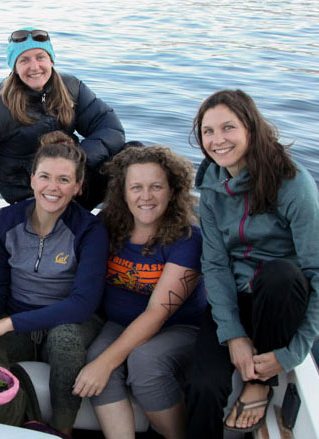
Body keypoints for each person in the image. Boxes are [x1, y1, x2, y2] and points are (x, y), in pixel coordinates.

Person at [185, 90, 319, 436]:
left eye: (228, 128)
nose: (217, 140)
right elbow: (216, 265)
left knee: (279, 273)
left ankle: (261, 383)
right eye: (208, 131)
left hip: (280, 300)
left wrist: (291, 353)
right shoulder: (211, 188)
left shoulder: (293, 185)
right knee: (202, 386)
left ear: (250, 129)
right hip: (236, 298)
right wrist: (233, 334)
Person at [0, 141, 108, 436]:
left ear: (78, 186)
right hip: (18, 320)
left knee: (65, 340)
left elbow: (82, 304)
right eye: (45, 176)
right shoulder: (6, 221)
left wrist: (5, 324)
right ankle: (4, 423)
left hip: (70, 321)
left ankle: (62, 430)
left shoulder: (90, 230)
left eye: (64, 179)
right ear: (32, 179)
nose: (52, 187)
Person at [73, 146, 206, 439]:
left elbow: (158, 312)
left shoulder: (187, 237)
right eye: (136, 187)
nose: (145, 196)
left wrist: (105, 363)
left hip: (179, 326)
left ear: (172, 191)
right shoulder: (108, 224)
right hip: (120, 322)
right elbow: (65, 226)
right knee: (95, 356)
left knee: (144, 361)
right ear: (123, 192)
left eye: (156, 186)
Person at [0, 28, 125, 210]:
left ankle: (126, 228)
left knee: (132, 154)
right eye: (24, 60)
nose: (35, 67)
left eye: (40, 57)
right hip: (31, 198)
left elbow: (111, 130)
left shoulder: (72, 88)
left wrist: (76, 160)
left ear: (51, 60)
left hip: (73, 184)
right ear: (14, 67)